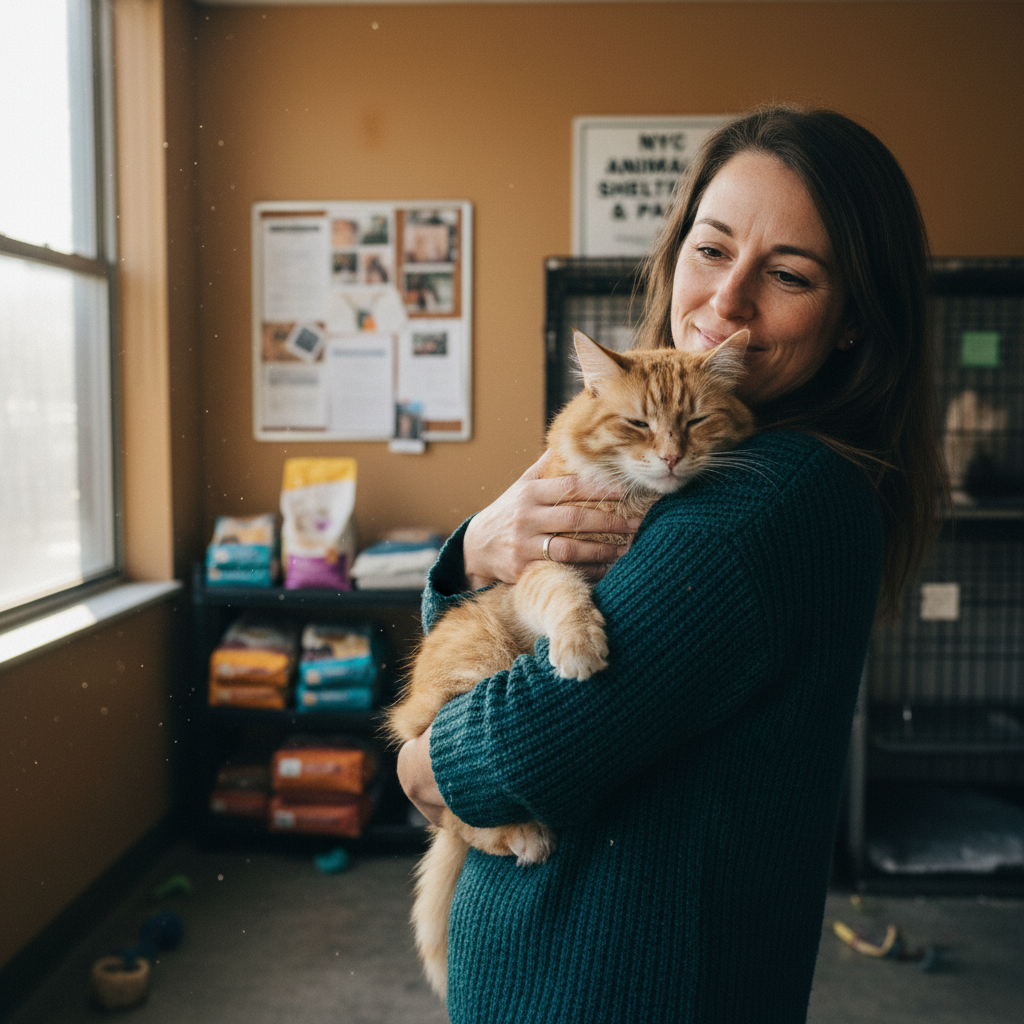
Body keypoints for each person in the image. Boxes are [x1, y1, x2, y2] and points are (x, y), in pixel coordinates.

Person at [398, 105, 947, 1023]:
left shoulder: (765, 495)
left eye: (789, 274)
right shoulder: (726, 470)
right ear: (674, 252)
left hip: (617, 985)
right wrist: (473, 550)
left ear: (855, 319)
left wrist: (421, 764)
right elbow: (485, 641)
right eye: (711, 248)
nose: (728, 302)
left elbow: (521, 746)